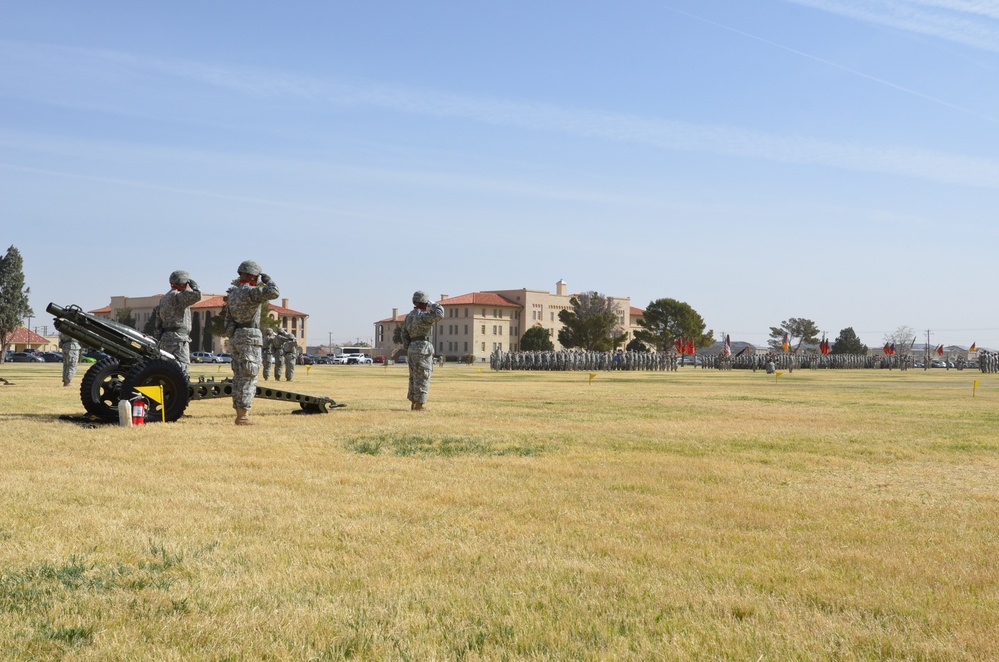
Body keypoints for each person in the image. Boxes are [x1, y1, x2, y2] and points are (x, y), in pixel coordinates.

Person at [223, 260, 279, 425]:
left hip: (236, 336)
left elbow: (228, 321)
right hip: (250, 336)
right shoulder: (252, 292)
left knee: (239, 377)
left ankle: (239, 413)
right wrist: (268, 281)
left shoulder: (233, 295)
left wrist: (234, 335)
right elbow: (274, 292)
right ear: (254, 276)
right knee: (249, 376)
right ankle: (242, 416)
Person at [400, 290, 444, 410]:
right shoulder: (423, 316)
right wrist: (434, 304)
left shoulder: (409, 316)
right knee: (423, 375)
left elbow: (403, 333)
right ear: (425, 302)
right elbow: (440, 314)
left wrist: (408, 347)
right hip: (423, 348)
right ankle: (419, 405)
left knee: (414, 377)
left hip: (412, 348)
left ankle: (414, 402)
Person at [154, 270, 202, 377]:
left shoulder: (164, 299)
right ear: (181, 282)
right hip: (179, 339)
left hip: (165, 338)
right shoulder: (179, 297)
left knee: (167, 369)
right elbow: (197, 295)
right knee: (182, 369)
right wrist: (193, 283)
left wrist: (158, 339)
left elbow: (158, 322)